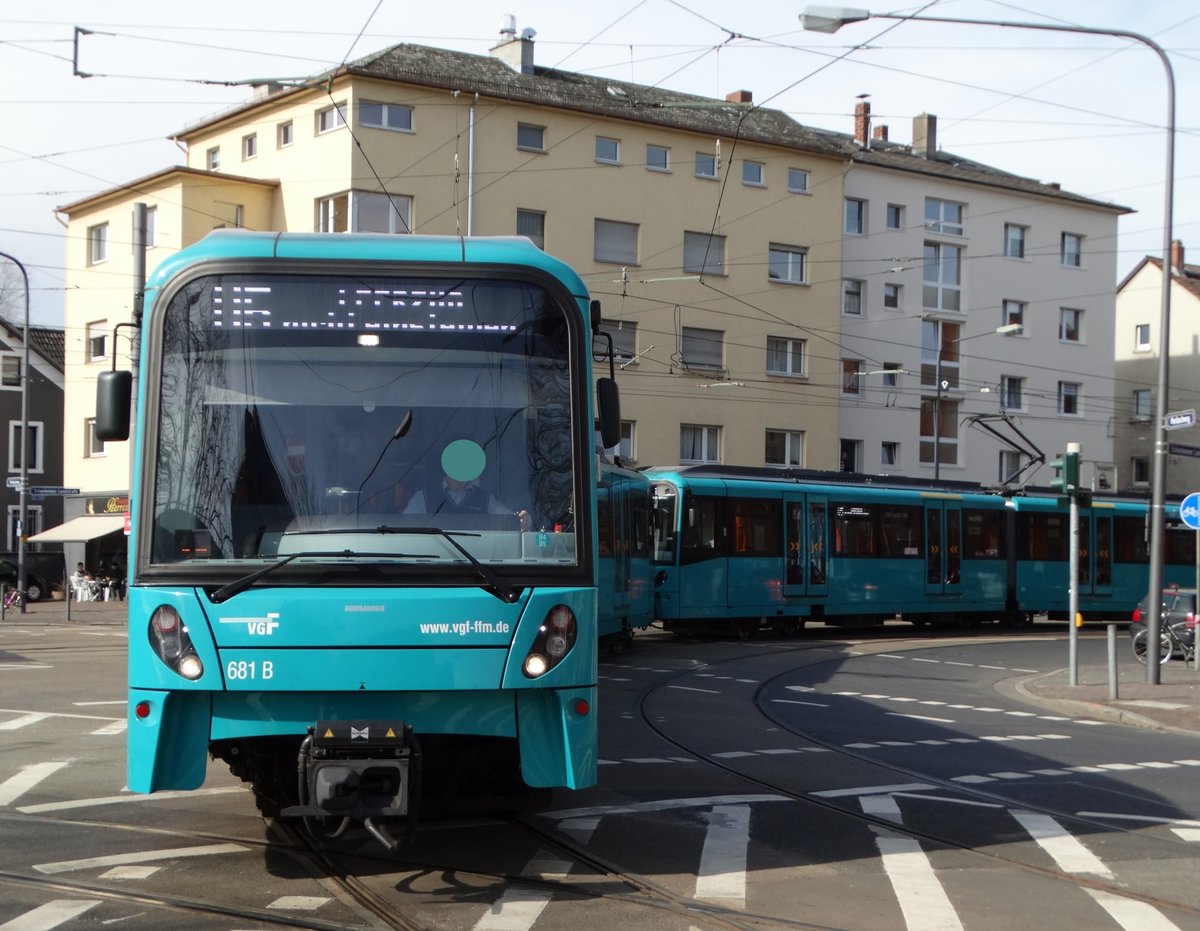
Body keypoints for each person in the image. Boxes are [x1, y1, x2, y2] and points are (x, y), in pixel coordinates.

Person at [404, 439, 532, 530]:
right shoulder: (423, 498)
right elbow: (405, 526)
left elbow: (508, 520)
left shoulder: (485, 499)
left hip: (476, 558)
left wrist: (521, 522)